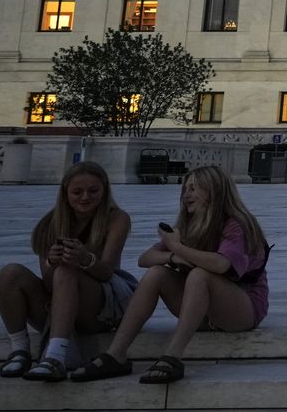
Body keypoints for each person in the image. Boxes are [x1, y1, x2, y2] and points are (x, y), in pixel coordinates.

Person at [69, 164, 269, 385]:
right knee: (157, 274)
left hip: (241, 310)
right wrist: (172, 257)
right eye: (185, 189)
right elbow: (145, 258)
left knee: (200, 275)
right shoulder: (189, 225)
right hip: (202, 312)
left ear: (215, 191)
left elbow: (222, 265)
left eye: (194, 189)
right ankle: (115, 354)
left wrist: (178, 248)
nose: (186, 195)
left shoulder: (236, 224)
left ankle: (172, 356)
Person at [0, 162, 134, 380]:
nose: (85, 197)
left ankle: (56, 357)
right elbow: (49, 283)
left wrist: (84, 259)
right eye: (77, 192)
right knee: (9, 273)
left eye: (93, 191)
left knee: (67, 272)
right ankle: (20, 350)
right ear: (65, 192)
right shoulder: (51, 223)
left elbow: (106, 271)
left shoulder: (116, 219)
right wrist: (51, 261)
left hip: (98, 307)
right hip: (58, 303)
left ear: (105, 190)